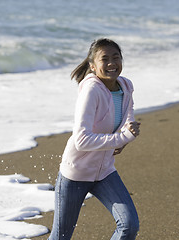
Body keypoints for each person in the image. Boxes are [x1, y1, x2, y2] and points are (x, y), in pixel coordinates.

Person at [48, 38, 140, 240]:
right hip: (76, 174)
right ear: (93, 66)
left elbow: (128, 115)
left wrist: (126, 133)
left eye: (115, 57)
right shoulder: (91, 90)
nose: (111, 63)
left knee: (129, 225)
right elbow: (82, 140)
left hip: (105, 171)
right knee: (60, 237)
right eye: (104, 59)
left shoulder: (125, 86)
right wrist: (121, 138)